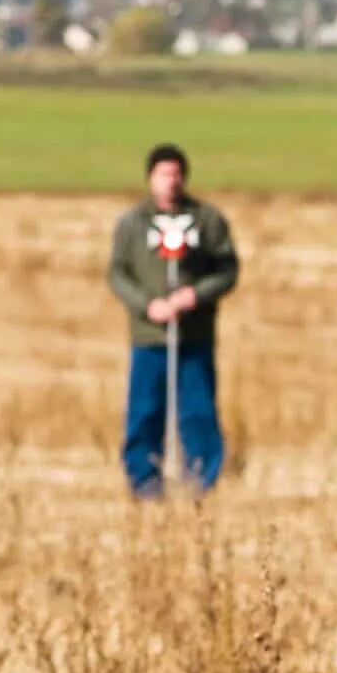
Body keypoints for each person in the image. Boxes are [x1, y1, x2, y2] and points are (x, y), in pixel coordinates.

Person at [107, 144, 238, 497]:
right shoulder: (132, 224)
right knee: (145, 410)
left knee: (197, 410)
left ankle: (201, 481)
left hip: (194, 336)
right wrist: (147, 305)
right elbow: (118, 273)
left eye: (176, 174)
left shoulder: (207, 221)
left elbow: (227, 270)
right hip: (149, 337)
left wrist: (194, 295)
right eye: (164, 174)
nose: (171, 182)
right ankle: (144, 482)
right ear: (150, 178)